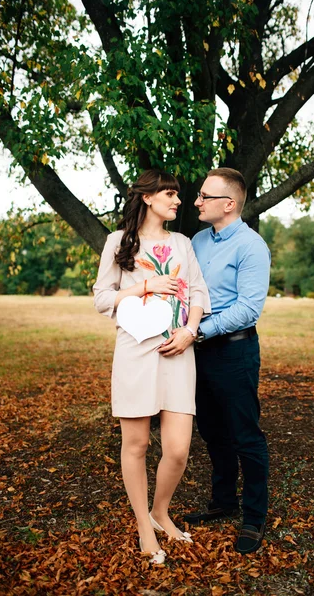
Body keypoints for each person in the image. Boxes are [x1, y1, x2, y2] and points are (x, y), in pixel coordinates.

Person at [93, 170, 210, 564]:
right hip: (136, 351)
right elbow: (101, 298)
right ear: (147, 197)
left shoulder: (182, 242)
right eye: (169, 193)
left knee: (177, 450)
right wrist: (144, 286)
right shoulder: (117, 241)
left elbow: (196, 291)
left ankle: (161, 510)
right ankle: (145, 526)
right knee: (137, 444)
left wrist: (190, 331)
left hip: (179, 350)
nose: (177, 201)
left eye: (178, 194)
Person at [184, 168, 270, 555]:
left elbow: (249, 308)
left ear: (229, 204)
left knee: (245, 435)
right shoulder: (198, 240)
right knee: (212, 430)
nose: (197, 201)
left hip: (235, 351)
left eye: (205, 196)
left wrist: (199, 330)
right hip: (196, 352)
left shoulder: (251, 246)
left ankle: (253, 516)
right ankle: (223, 501)